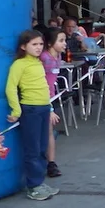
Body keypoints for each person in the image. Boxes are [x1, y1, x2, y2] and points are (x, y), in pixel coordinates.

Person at [6, 30, 59, 201]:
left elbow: (44, 86)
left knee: (42, 147)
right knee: (33, 150)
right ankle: (34, 186)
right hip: (30, 110)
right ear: (23, 46)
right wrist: (16, 111)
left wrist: (49, 108)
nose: (38, 47)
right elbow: (11, 88)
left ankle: (39, 182)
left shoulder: (37, 62)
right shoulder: (19, 64)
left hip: (43, 108)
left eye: (41, 44)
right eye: (34, 44)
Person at [40, 29, 66, 178]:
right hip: (42, 99)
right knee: (47, 131)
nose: (65, 43)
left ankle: (51, 163)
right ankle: (48, 163)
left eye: (64, 40)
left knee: (49, 131)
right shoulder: (44, 58)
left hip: (50, 98)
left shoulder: (57, 56)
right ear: (50, 43)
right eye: (61, 41)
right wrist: (49, 108)